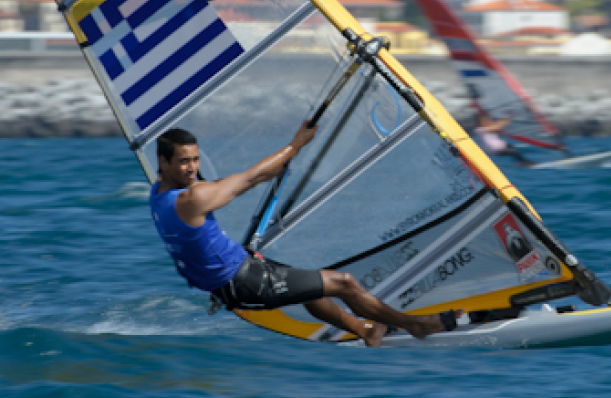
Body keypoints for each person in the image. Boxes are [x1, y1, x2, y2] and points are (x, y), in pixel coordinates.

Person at [149, 124, 459, 347]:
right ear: (164, 162)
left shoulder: (158, 195)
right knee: (344, 283)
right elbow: (249, 178)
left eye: (195, 159)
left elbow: (247, 179)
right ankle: (415, 325)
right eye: (184, 161)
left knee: (311, 287)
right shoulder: (194, 198)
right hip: (242, 279)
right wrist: (296, 145)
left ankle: (365, 330)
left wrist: (275, 167)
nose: (192, 168)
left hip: (233, 272)